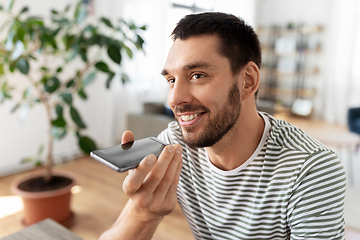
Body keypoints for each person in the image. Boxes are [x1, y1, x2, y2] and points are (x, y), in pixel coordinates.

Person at [100, 12, 346, 240]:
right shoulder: (175, 143)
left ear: (248, 81)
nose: (174, 99)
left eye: (197, 75)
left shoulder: (311, 168)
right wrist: (145, 213)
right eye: (171, 80)